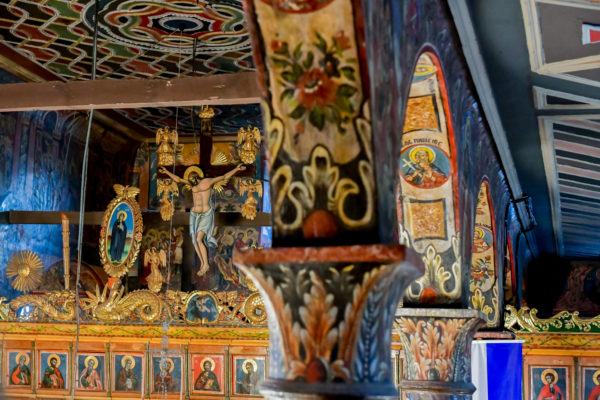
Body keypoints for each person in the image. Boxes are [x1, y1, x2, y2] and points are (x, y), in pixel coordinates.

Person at [159, 164, 245, 276]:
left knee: (199, 239)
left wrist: (236, 169)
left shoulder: (207, 182)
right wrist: (166, 172)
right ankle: (203, 263)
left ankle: (206, 264)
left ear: (197, 177)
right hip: (195, 214)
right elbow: (178, 179)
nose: (190, 182)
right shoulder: (191, 183)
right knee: (195, 240)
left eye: (192, 179)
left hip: (205, 214)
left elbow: (224, 177)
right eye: (190, 180)